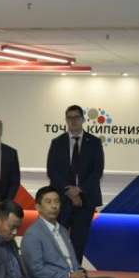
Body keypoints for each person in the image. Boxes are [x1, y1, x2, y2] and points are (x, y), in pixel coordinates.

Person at [21, 185, 124, 278]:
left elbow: (71, 261)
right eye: (48, 202)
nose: (54, 206)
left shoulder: (62, 230)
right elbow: (36, 270)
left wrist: (79, 272)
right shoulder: (33, 234)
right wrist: (69, 276)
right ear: (38, 207)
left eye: (57, 201)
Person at [46, 104, 105, 263]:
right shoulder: (57, 142)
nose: (73, 121)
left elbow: (97, 171)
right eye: (69, 118)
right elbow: (52, 171)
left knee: (79, 241)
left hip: (86, 200)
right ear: (66, 120)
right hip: (62, 200)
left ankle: (76, 271)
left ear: (83, 119)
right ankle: (60, 271)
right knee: (59, 240)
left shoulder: (94, 143)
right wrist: (70, 192)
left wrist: (79, 190)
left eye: (76, 117)